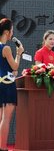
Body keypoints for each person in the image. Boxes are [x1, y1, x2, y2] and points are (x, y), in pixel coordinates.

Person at [0, 18, 24, 151]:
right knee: (6, 118)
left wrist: (13, 71)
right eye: (12, 31)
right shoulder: (6, 48)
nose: (12, 34)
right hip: (7, 84)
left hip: (1, 82)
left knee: (1, 117)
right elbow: (15, 65)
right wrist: (19, 54)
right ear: (6, 32)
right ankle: (2, 147)